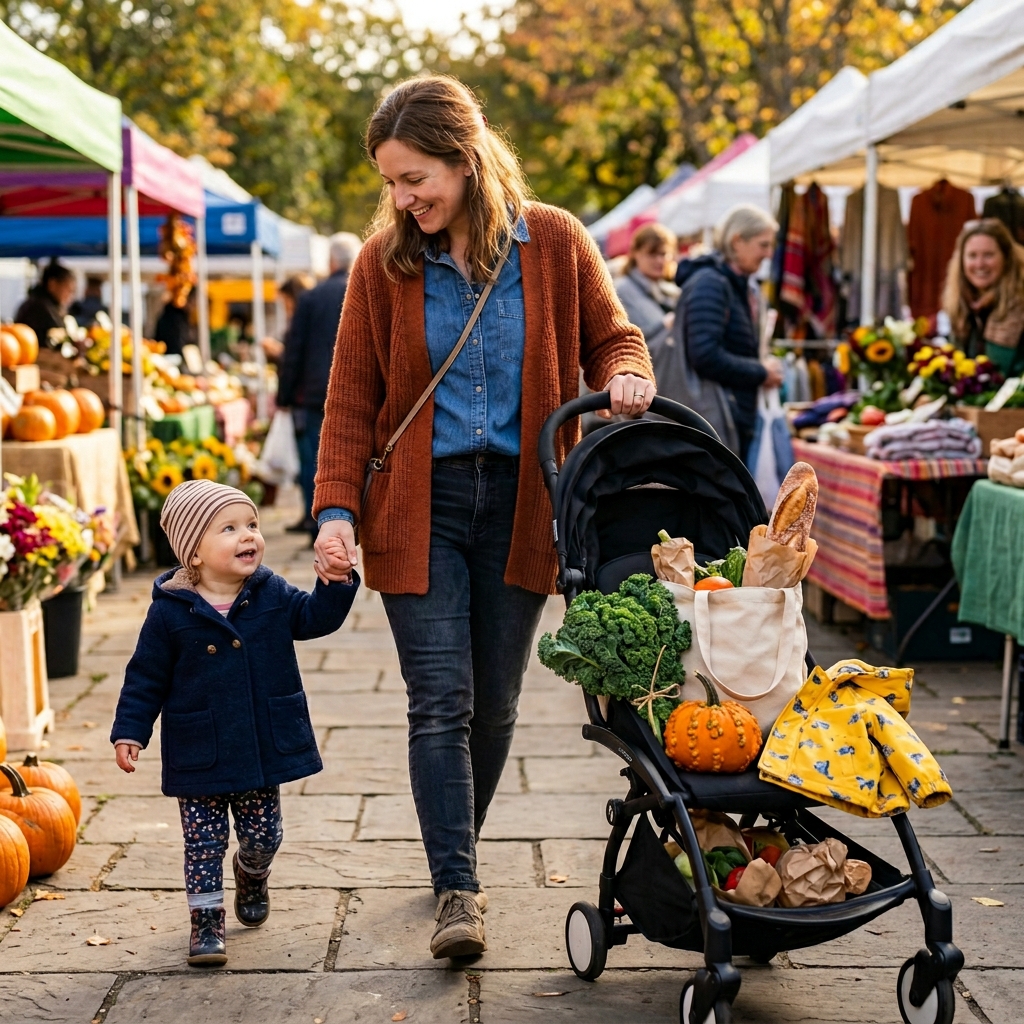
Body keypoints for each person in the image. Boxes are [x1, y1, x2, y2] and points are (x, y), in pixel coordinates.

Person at [311, 75, 654, 960]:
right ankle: (458, 889)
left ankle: (452, 854)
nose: (402, 197)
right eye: (390, 181)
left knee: (495, 708)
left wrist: (626, 375)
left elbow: (615, 337)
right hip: (416, 507)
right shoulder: (380, 263)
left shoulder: (556, 243)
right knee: (441, 703)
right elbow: (351, 399)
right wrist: (335, 510)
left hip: (522, 502)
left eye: (414, 177)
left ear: (465, 160)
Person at [109, 480, 358, 967]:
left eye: (251, 525)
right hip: (200, 751)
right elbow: (144, 678)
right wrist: (130, 730)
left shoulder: (269, 592)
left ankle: (251, 871)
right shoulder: (168, 613)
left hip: (259, 748)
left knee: (265, 835)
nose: (248, 536)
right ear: (193, 553)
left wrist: (336, 581)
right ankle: (206, 923)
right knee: (203, 844)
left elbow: (313, 619)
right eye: (229, 528)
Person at [675, 204, 782, 460]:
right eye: (763, 245)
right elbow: (704, 355)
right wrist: (760, 372)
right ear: (737, 241)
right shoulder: (711, 284)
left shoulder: (737, 285)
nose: (768, 254)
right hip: (716, 419)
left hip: (728, 417)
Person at [278, 235, 362, 537]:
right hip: (361, 392)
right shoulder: (368, 291)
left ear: (331, 262)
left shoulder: (312, 297)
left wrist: (284, 395)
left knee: (319, 460)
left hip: (316, 393)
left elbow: (294, 350)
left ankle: (321, 526)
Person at [943, 218, 1024, 377]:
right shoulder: (962, 304)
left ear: (1006, 258)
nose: (980, 264)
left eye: (988, 255)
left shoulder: (1019, 303)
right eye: (972, 256)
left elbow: (997, 373)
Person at [614, 223, 679, 349]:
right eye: (652, 254)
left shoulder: (669, 290)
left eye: (664, 254)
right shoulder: (622, 290)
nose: (660, 260)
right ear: (635, 253)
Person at [15, 260, 75, 343]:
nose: (70, 295)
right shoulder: (40, 307)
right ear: (52, 284)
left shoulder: (42, 303)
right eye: (68, 289)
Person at [260, 273, 315, 364]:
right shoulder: (309, 321)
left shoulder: (304, 324)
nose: (284, 306)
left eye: (285, 300)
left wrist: (279, 353)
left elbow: (300, 360)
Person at [154, 293, 195, 357]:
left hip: (168, 353)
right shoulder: (176, 316)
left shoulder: (167, 314)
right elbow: (178, 339)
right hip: (172, 354)